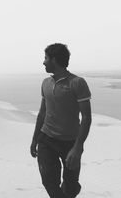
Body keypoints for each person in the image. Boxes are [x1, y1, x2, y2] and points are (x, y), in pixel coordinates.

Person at [30, 43, 92, 198]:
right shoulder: (45, 83)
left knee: (70, 187)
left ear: (54, 60)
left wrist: (77, 148)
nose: (43, 62)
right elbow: (42, 113)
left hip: (70, 142)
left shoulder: (77, 83)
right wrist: (34, 139)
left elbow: (86, 118)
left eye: (46, 58)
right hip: (46, 139)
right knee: (49, 181)